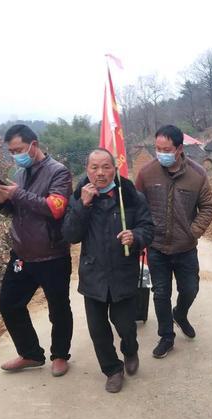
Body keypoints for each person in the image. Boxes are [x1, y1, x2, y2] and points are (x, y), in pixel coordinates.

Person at [62, 149, 154, 393]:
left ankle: (130, 350)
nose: (100, 173)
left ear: (115, 168)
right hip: (93, 276)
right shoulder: (79, 197)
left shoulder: (131, 196)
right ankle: (112, 370)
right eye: (94, 167)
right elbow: (70, 235)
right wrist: (83, 205)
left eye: (105, 167)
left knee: (126, 326)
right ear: (87, 169)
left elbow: (148, 229)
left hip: (123, 273)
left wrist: (135, 236)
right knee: (98, 331)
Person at [0, 124, 74, 377]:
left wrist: (18, 194)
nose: (15, 155)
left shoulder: (59, 172)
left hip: (52, 254)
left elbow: (55, 208)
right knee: (9, 303)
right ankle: (30, 354)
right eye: (11, 151)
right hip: (22, 254)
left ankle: (60, 355)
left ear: (33, 145)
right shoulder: (20, 174)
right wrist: (1, 200)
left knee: (58, 308)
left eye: (18, 149)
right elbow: (15, 211)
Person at [135, 125, 212, 359]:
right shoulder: (147, 173)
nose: (161, 153)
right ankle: (166, 336)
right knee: (160, 293)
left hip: (185, 248)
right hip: (157, 247)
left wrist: (193, 231)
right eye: (157, 148)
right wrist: (143, 233)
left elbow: (208, 207)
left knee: (190, 289)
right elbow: (137, 206)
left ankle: (180, 313)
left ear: (179, 149)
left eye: (166, 149)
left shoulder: (197, 174)